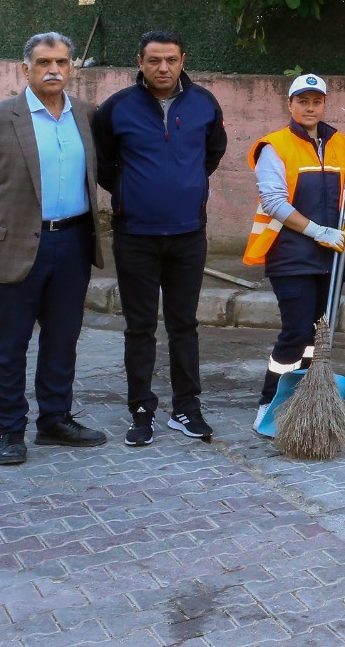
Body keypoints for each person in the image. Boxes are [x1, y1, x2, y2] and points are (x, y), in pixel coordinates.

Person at [0, 32, 107, 466]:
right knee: (9, 344)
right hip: (15, 247)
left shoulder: (87, 117)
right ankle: (9, 430)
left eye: (61, 61)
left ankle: (55, 419)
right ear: (26, 69)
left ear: (73, 67)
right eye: (43, 63)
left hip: (73, 243)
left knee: (62, 339)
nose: (53, 70)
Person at [91, 30, 228, 446]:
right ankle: (141, 409)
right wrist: (135, 194)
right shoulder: (116, 108)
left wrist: (184, 187)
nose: (163, 68)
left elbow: (213, 153)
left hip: (189, 234)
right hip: (135, 235)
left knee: (184, 324)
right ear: (140, 61)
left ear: (183, 59)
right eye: (154, 60)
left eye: (171, 60)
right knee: (140, 326)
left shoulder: (204, 103)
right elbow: (104, 164)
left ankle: (187, 408)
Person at [243, 74, 345, 430]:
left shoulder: (342, 143)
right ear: (289, 104)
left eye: (316, 101)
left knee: (318, 333)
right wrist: (316, 230)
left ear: (324, 103)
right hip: (291, 255)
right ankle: (268, 400)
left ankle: (306, 399)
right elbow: (274, 201)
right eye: (302, 101)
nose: (310, 108)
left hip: (332, 258)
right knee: (295, 332)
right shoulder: (274, 146)